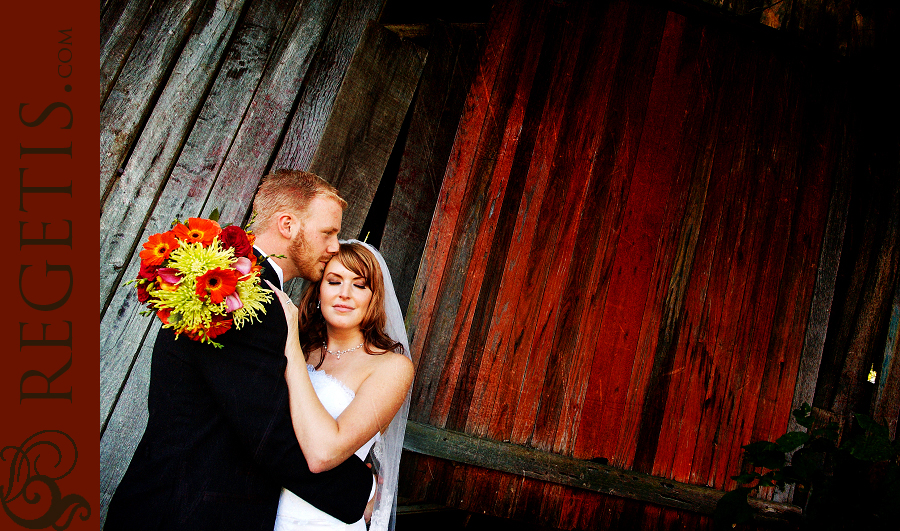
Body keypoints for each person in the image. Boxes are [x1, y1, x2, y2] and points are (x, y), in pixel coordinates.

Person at [105, 170, 374, 530]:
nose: (334, 247)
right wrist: (362, 489)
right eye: (328, 232)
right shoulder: (244, 299)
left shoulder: (224, 283)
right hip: (186, 515)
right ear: (287, 224)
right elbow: (269, 433)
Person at [268, 240, 414, 531]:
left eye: (360, 285)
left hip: (321, 519)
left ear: (374, 297)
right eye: (334, 281)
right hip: (261, 509)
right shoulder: (298, 346)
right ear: (319, 289)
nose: (344, 294)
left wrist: (291, 349)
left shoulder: (391, 368)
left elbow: (324, 453)